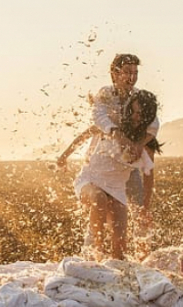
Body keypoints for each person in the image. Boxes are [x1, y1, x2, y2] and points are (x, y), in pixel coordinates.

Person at [58, 90, 161, 259]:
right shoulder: (113, 124)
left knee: (119, 252)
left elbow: (148, 177)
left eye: (141, 114)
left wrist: (145, 208)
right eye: (133, 112)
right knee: (99, 199)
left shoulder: (146, 145)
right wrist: (64, 156)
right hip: (90, 180)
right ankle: (98, 252)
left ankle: (112, 267)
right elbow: (86, 134)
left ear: (148, 117)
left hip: (116, 190)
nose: (136, 117)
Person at [59, 53, 161, 222]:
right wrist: (65, 155)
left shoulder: (138, 97)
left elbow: (154, 123)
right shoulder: (106, 94)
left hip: (128, 164)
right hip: (104, 158)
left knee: (138, 211)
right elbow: (97, 120)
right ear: (114, 73)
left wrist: (139, 145)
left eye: (135, 73)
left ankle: (141, 243)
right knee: (102, 205)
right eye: (127, 72)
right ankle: (97, 244)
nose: (132, 77)